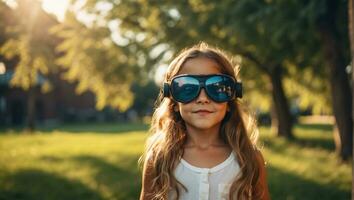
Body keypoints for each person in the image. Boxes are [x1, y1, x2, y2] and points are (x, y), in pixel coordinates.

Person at [139, 42, 270, 200]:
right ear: (173, 102)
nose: (203, 99)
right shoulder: (159, 159)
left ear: (230, 101)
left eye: (216, 88)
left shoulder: (249, 159)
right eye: (187, 88)